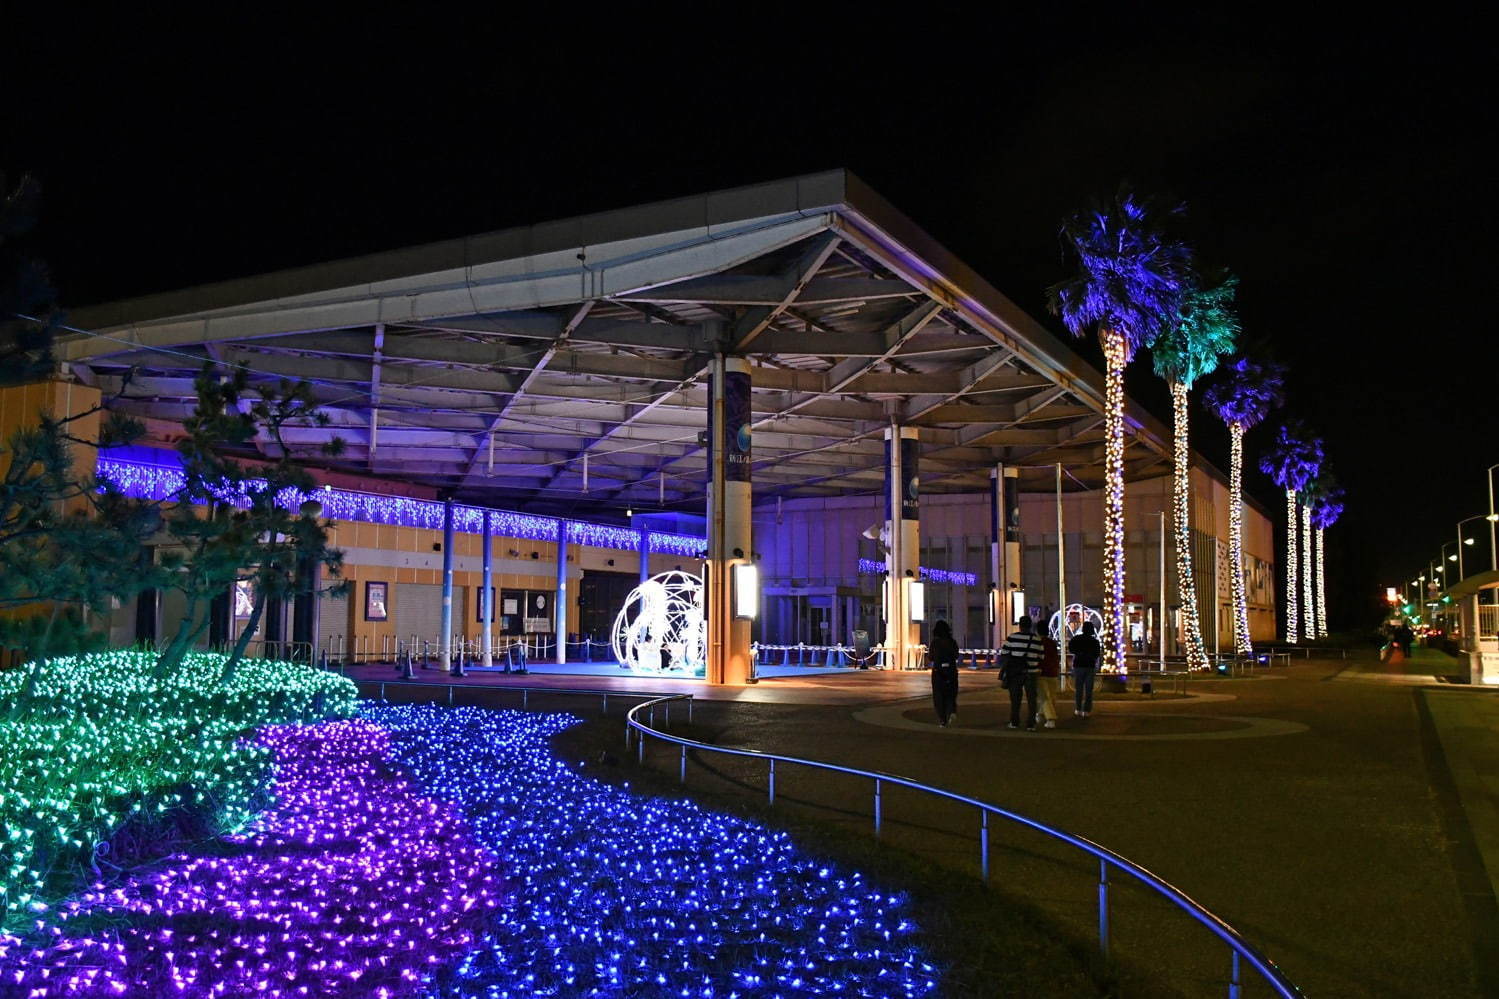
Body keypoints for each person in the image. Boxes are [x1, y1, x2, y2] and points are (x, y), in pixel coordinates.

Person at [1000, 615, 1046, 730]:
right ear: (1031, 626)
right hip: (1032, 672)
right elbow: (1041, 657)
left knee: (1015, 699)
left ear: (1019, 626)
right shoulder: (1037, 640)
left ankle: (1014, 722)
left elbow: (1004, 653)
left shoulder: (1012, 638)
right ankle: (1031, 724)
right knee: (1031, 699)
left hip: (1015, 673)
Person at [928, 620, 960, 726]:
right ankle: (951, 711)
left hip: (938, 672)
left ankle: (942, 720)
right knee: (951, 693)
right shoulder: (952, 641)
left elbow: (930, 657)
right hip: (951, 671)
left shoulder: (934, 643)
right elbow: (956, 655)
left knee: (939, 696)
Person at [1070, 620, 1101, 717]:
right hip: (1089, 666)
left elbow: (1071, 649)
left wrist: (1079, 654)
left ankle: (1078, 708)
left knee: (1078, 689)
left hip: (1078, 665)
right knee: (1089, 689)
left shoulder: (1076, 639)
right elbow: (1097, 654)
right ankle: (1086, 710)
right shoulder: (1095, 641)